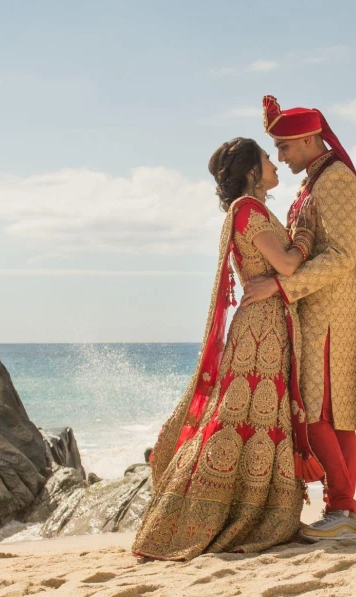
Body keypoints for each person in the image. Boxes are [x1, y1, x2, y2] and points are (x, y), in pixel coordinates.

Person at [132, 137, 323, 560]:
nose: (275, 163)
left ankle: (254, 512)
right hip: (260, 330)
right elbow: (288, 265)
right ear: (253, 172)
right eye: (267, 158)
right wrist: (305, 237)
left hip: (270, 324)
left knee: (258, 423)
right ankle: (197, 519)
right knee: (236, 423)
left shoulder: (256, 210)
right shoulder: (248, 210)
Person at [241, 96, 356, 541]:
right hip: (315, 311)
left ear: (306, 138)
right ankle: (343, 511)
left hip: (330, 313)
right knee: (329, 411)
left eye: (284, 147)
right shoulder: (315, 183)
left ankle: (343, 509)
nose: (280, 157)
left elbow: (341, 256)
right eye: (275, 151)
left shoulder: (336, 180)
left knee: (319, 410)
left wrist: (281, 287)